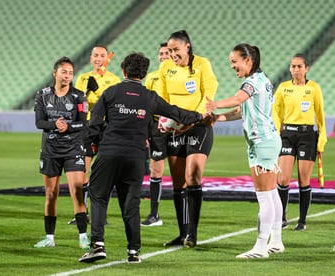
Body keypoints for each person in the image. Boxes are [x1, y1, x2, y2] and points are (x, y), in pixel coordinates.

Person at [78, 52, 206, 263]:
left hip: (109, 152)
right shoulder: (149, 96)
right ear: (145, 74)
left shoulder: (110, 92)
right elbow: (177, 113)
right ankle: (133, 251)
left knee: (99, 197)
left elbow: (93, 124)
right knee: (131, 204)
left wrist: (99, 142)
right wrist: (200, 116)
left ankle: (97, 245)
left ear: (124, 71)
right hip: (136, 157)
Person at [206, 43, 284, 259]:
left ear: (248, 60)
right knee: (272, 192)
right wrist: (218, 117)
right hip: (267, 141)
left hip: (262, 143)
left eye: (234, 62)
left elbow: (239, 99)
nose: (232, 66)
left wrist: (214, 105)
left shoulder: (251, 82)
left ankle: (260, 247)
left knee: (264, 195)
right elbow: (241, 109)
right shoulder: (263, 80)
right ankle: (276, 241)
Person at [155, 30, 218, 248]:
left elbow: (209, 94)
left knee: (193, 176)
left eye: (176, 50)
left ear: (187, 47)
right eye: (169, 51)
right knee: (178, 183)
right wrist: (166, 120)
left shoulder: (202, 64)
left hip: (199, 126)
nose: (172, 54)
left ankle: (192, 233)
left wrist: (194, 118)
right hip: (175, 128)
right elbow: (162, 98)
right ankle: (182, 234)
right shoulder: (165, 68)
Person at [33, 56, 90, 250]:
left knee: (77, 191)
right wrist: (54, 125)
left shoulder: (79, 96)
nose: (67, 75)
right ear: (55, 73)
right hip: (50, 150)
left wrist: (68, 126)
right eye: (64, 72)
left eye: (70, 73)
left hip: (73, 148)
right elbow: (39, 122)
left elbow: (84, 123)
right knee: (51, 194)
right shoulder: (42, 95)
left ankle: (83, 237)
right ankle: (50, 238)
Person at [272, 53, 327, 231]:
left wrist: (322, 140)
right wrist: (275, 133)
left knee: (304, 180)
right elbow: (276, 112)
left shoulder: (314, 88)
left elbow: (320, 115)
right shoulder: (283, 88)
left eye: (299, 66)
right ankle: (281, 218)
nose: (295, 69)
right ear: (290, 68)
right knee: (283, 178)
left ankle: (302, 221)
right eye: (293, 66)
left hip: (307, 136)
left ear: (306, 69)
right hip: (287, 134)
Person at [67, 46, 121, 225]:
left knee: (104, 173)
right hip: (88, 128)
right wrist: (87, 93)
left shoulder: (114, 80)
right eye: (96, 55)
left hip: (107, 127)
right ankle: (82, 213)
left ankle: (101, 214)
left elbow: (115, 104)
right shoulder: (83, 78)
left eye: (102, 55)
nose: (99, 58)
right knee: (83, 173)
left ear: (107, 58)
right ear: (91, 58)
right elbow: (77, 103)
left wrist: (98, 93)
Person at [141, 42, 171, 227]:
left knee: (182, 172)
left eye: (167, 53)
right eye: (161, 53)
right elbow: (145, 105)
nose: (163, 56)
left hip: (175, 125)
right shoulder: (151, 77)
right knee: (156, 170)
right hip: (155, 126)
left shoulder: (180, 76)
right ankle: (154, 215)